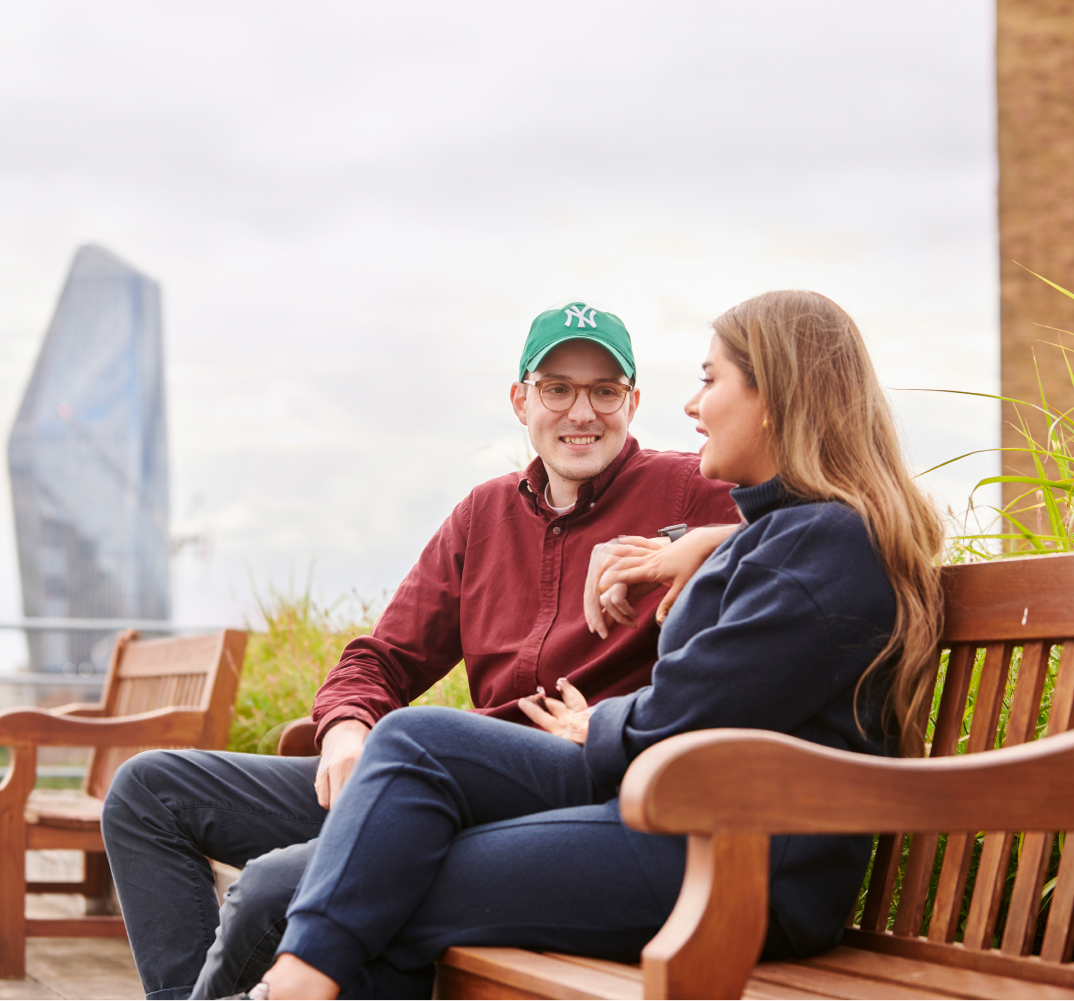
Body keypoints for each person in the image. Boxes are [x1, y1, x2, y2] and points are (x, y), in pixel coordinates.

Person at [249, 289, 946, 999]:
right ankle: (294, 983)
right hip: (690, 822)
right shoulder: (801, 537)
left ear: (775, 397)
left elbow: (689, 714)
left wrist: (600, 723)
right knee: (406, 756)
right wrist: (702, 542)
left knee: (404, 808)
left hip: (737, 858)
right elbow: (726, 680)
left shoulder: (822, 545)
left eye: (710, 379)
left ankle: (292, 986)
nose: (692, 404)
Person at [100, 302, 739, 1001]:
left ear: (633, 402)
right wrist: (345, 730)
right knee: (146, 792)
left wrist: (695, 542)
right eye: (557, 387)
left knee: (275, 887)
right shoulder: (483, 514)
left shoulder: (690, 490)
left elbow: (818, 524)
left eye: (604, 391)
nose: (581, 411)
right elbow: (381, 657)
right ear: (520, 398)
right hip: (426, 784)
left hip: (559, 805)